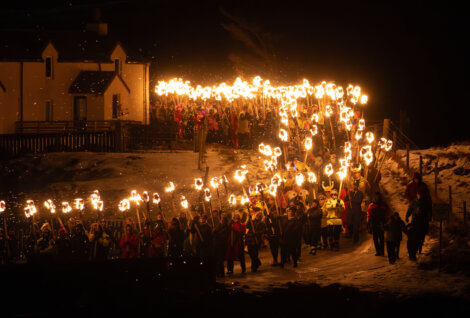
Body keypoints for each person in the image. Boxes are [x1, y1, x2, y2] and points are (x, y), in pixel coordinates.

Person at [405, 190, 430, 260]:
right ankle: (413, 254)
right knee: (414, 239)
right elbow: (410, 209)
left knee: (420, 238)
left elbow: (428, 211)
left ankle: (418, 249)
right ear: (417, 194)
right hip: (415, 223)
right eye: (419, 194)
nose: (420, 195)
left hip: (422, 223)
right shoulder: (414, 202)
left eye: (421, 194)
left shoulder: (425, 202)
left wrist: (428, 218)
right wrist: (407, 216)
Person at [367, 192, 390, 256]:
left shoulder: (383, 205)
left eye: (378, 197)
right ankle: (378, 251)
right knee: (375, 238)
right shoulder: (371, 206)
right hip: (374, 223)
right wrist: (368, 222)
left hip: (381, 223)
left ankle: (382, 251)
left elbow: (387, 213)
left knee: (381, 238)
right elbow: (368, 214)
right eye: (376, 197)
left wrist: (386, 221)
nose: (377, 198)